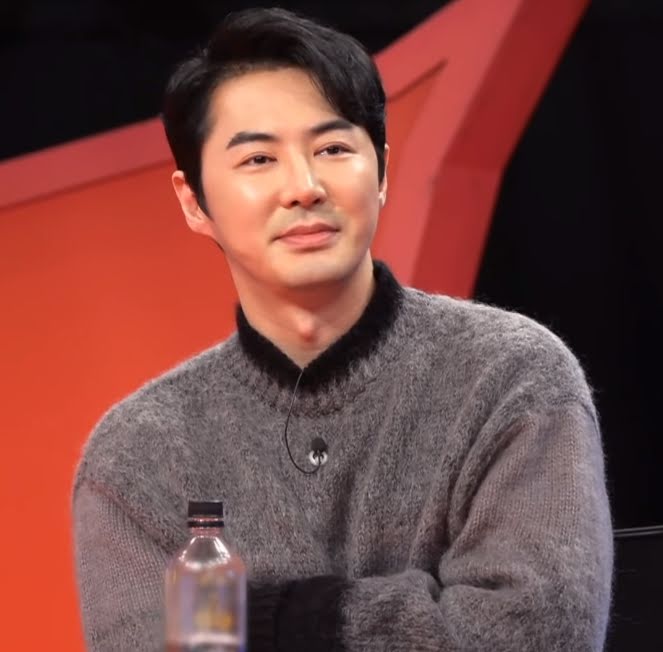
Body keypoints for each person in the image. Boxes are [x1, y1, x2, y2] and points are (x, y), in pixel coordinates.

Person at [72, 7, 613, 651]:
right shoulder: (138, 452)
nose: (304, 187)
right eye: (258, 159)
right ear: (194, 202)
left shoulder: (512, 378)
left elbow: (538, 632)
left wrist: (265, 618)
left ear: (381, 172)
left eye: (332, 149)